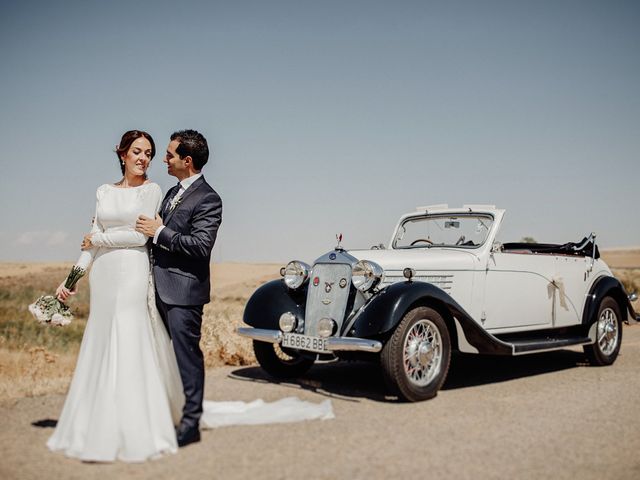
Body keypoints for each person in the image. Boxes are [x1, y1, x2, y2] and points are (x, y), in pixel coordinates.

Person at [48, 130, 184, 462]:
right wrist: (73, 278)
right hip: (105, 278)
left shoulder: (152, 191)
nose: (143, 158)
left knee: (127, 336)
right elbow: (92, 240)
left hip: (132, 273)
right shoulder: (103, 191)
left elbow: (139, 238)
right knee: (100, 339)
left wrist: (97, 238)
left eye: (149, 153)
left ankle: (135, 426)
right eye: (137, 151)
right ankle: (94, 424)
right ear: (122, 154)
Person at [135, 129, 222, 447]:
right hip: (154, 289)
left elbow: (200, 246)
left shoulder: (209, 198)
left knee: (186, 357)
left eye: (170, 154)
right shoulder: (171, 193)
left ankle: (190, 423)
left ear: (187, 161)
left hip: (183, 294)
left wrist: (159, 232)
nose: (164, 159)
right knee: (159, 357)